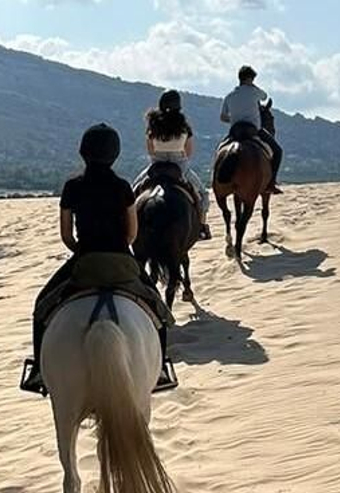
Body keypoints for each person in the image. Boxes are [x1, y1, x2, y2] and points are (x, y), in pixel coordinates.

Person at [21, 123, 175, 396]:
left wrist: (80, 248)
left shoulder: (72, 187)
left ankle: (38, 372)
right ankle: (161, 369)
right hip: (122, 260)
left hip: (84, 260)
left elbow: (66, 235)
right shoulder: (123, 187)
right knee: (159, 311)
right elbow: (131, 234)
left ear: (83, 152)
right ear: (114, 154)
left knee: (41, 307)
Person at [133, 89, 211, 241]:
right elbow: (188, 152)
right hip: (179, 166)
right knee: (203, 195)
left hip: (156, 165)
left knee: (133, 190)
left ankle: (128, 225)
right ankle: (201, 227)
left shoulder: (153, 125)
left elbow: (150, 149)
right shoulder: (184, 127)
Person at [219, 64, 283, 194]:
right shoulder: (254, 92)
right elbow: (265, 96)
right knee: (278, 151)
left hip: (235, 131)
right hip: (253, 130)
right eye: (252, 80)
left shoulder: (229, 96)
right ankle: (271, 183)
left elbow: (222, 117)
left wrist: (235, 119)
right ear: (249, 79)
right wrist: (253, 87)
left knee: (220, 150)